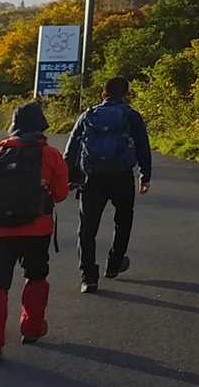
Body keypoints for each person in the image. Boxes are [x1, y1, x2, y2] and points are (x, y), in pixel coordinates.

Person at [0, 102, 70, 362]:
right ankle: (31, 328)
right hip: (36, 229)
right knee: (36, 276)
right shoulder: (50, 154)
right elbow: (61, 194)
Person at [66, 76, 153, 294]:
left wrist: (72, 177)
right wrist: (145, 174)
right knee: (123, 219)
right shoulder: (131, 116)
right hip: (121, 176)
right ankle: (114, 263)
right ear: (126, 94)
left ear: (103, 94)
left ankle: (88, 277)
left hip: (92, 177)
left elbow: (72, 148)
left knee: (87, 228)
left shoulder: (88, 115)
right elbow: (142, 145)